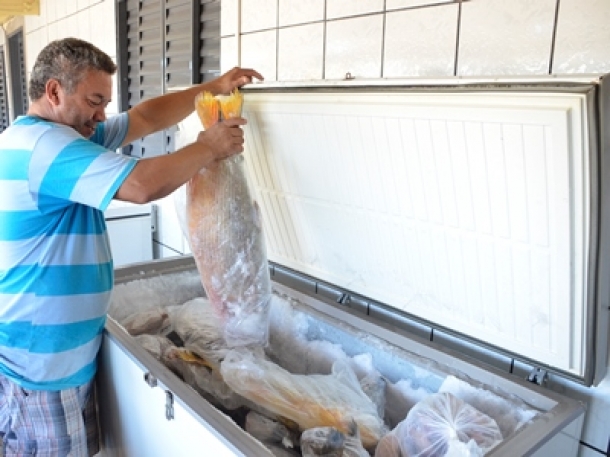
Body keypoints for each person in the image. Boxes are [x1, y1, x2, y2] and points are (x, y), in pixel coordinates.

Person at [0, 37, 263, 456]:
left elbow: (142, 118)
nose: (102, 115)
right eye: (94, 101)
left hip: (61, 357)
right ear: (54, 92)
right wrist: (208, 147)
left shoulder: (64, 134)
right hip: (42, 365)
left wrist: (211, 87)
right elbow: (141, 186)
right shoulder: (44, 146)